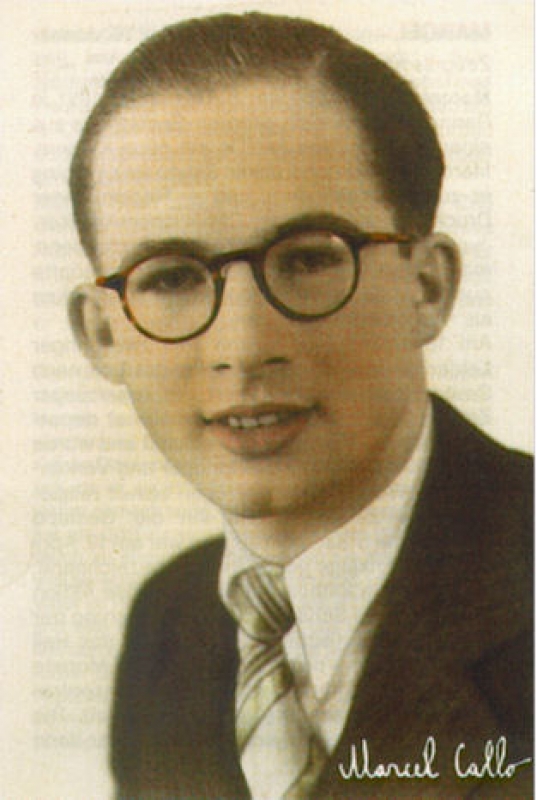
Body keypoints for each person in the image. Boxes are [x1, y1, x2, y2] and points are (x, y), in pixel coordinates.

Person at [67, 12, 532, 799]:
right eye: (171, 278)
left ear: (427, 289)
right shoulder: (167, 626)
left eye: (310, 259)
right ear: (103, 333)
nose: (244, 347)